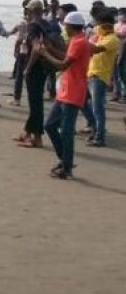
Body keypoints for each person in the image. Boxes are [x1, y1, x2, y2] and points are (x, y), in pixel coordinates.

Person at [38, 12, 92, 179]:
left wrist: (45, 54)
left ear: (70, 26)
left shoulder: (79, 42)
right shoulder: (78, 40)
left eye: (66, 25)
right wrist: (50, 49)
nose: (64, 28)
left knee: (66, 131)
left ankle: (66, 167)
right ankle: (65, 160)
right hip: (66, 90)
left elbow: (63, 65)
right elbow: (68, 59)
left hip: (73, 92)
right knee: (50, 125)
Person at [13, 0, 62, 148]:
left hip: (36, 67)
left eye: (27, 10)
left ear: (31, 10)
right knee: (36, 101)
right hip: (44, 67)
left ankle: (37, 138)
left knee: (35, 103)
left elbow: (36, 48)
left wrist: (28, 67)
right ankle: (28, 132)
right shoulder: (46, 24)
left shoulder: (33, 25)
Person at [83, 9, 118, 147]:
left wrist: (82, 41)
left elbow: (95, 49)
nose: (98, 26)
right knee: (82, 102)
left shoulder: (112, 39)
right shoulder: (101, 35)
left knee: (98, 108)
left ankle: (99, 137)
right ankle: (96, 128)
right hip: (91, 73)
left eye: (100, 24)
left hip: (100, 76)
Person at [114, 8, 126, 102]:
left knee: (122, 74)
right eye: (119, 14)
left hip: (123, 52)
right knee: (115, 75)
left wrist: (116, 33)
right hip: (115, 51)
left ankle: (124, 95)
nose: (120, 16)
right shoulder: (116, 25)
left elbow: (122, 35)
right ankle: (116, 93)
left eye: (122, 14)